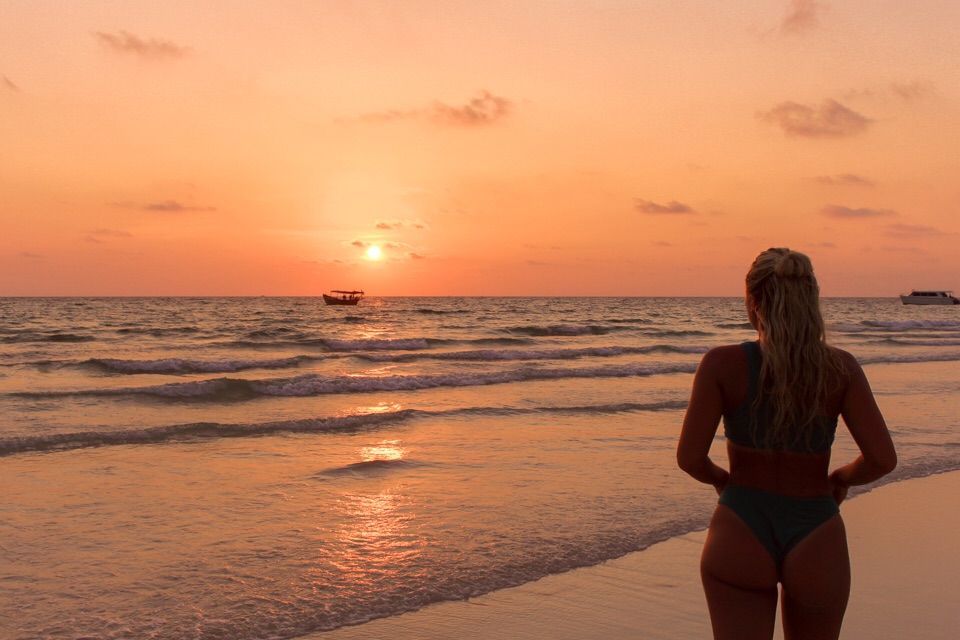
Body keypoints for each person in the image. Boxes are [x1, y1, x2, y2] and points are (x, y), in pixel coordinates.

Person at [677, 248, 897, 640]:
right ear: (810, 300)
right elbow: (882, 459)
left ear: (753, 301)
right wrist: (841, 478)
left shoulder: (721, 365)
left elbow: (690, 457)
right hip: (816, 527)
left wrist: (722, 481)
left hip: (740, 526)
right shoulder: (841, 368)